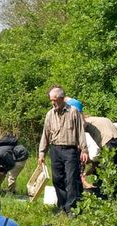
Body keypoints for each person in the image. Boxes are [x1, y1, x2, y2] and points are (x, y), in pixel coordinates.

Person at [38, 86, 88, 215]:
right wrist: (42, 152)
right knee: (57, 179)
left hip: (70, 150)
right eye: (51, 100)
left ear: (61, 99)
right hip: (55, 150)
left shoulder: (73, 112)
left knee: (71, 179)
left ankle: (71, 208)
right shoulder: (50, 114)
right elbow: (46, 134)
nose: (52, 103)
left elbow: (80, 132)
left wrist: (84, 150)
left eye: (54, 100)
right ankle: (62, 206)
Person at [83, 116, 117, 190]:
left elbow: (93, 151)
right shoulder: (103, 119)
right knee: (114, 174)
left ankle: (101, 197)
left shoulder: (86, 122)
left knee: (102, 175)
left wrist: (92, 161)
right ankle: (113, 198)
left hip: (107, 144)